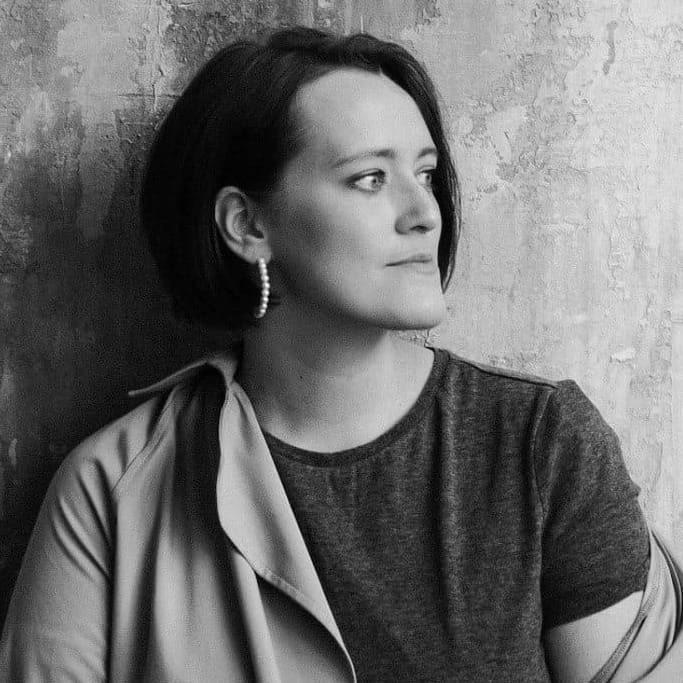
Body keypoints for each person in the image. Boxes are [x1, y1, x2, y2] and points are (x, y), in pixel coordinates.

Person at [1, 26, 681, 683]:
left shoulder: (542, 445)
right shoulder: (113, 489)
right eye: (369, 178)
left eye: (425, 173)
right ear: (247, 224)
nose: (425, 212)